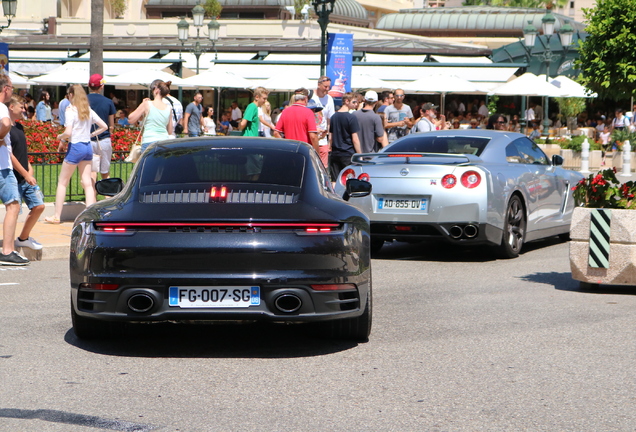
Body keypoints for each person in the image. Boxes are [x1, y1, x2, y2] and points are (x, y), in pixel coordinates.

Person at [44, 84, 108, 225]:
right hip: (87, 147)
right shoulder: (88, 110)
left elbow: (68, 133)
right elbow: (105, 126)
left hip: (76, 146)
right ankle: (90, 215)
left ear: (72, 95)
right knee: (87, 183)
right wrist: (91, 134)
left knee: (62, 182)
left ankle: (56, 216)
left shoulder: (70, 110)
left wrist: (59, 137)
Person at [7, 95, 44, 251]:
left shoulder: (19, 127)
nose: (24, 110)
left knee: (39, 206)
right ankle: (9, 248)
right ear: (11, 107)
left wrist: (29, 169)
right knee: (14, 212)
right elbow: (9, 155)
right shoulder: (5, 127)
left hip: (25, 176)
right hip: (13, 177)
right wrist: (25, 173)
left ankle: (23, 238)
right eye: (21, 107)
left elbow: (22, 152)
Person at [0, 75, 29, 265]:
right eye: (11, 87)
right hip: (2, 167)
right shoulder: (2, 107)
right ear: (5, 89)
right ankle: (7, 250)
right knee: (13, 205)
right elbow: (5, 123)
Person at [128, 79, 173, 153]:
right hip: (164, 141)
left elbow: (131, 119)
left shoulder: (147, 104)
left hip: (149, 141)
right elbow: (170, 131)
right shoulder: (169, 108)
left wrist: (141, 104)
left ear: (156, 90)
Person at [87, 74, 116, 180]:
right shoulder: (108, 102)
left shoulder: (83, 101)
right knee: (105, 172)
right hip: (104, 139)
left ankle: (92, 195)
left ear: (88, 85)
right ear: (102, 86)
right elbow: (111, 124)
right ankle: (107, 195)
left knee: (91, 172)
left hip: (87, 139)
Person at [329, 92, 361, 181]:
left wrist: (330, 148)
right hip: (347, 153)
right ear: (347, 101)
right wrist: (359, 155)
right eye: (354, 102)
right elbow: (355, 139)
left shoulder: (333, 116)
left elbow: (331, 137)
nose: (356, 104)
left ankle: (334, 195)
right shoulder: (351, 117)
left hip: (335, 153)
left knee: (335, 180)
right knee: (349, 179)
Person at [311, 76, 336, 167]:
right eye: (325, 86)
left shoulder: (329, 99)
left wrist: (330, 138)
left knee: (323, 165)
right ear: (319, 85)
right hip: (311, 136)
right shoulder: (311, 97)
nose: (327, 89)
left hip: (323, 137)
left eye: (329, 87)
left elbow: (330, 119)